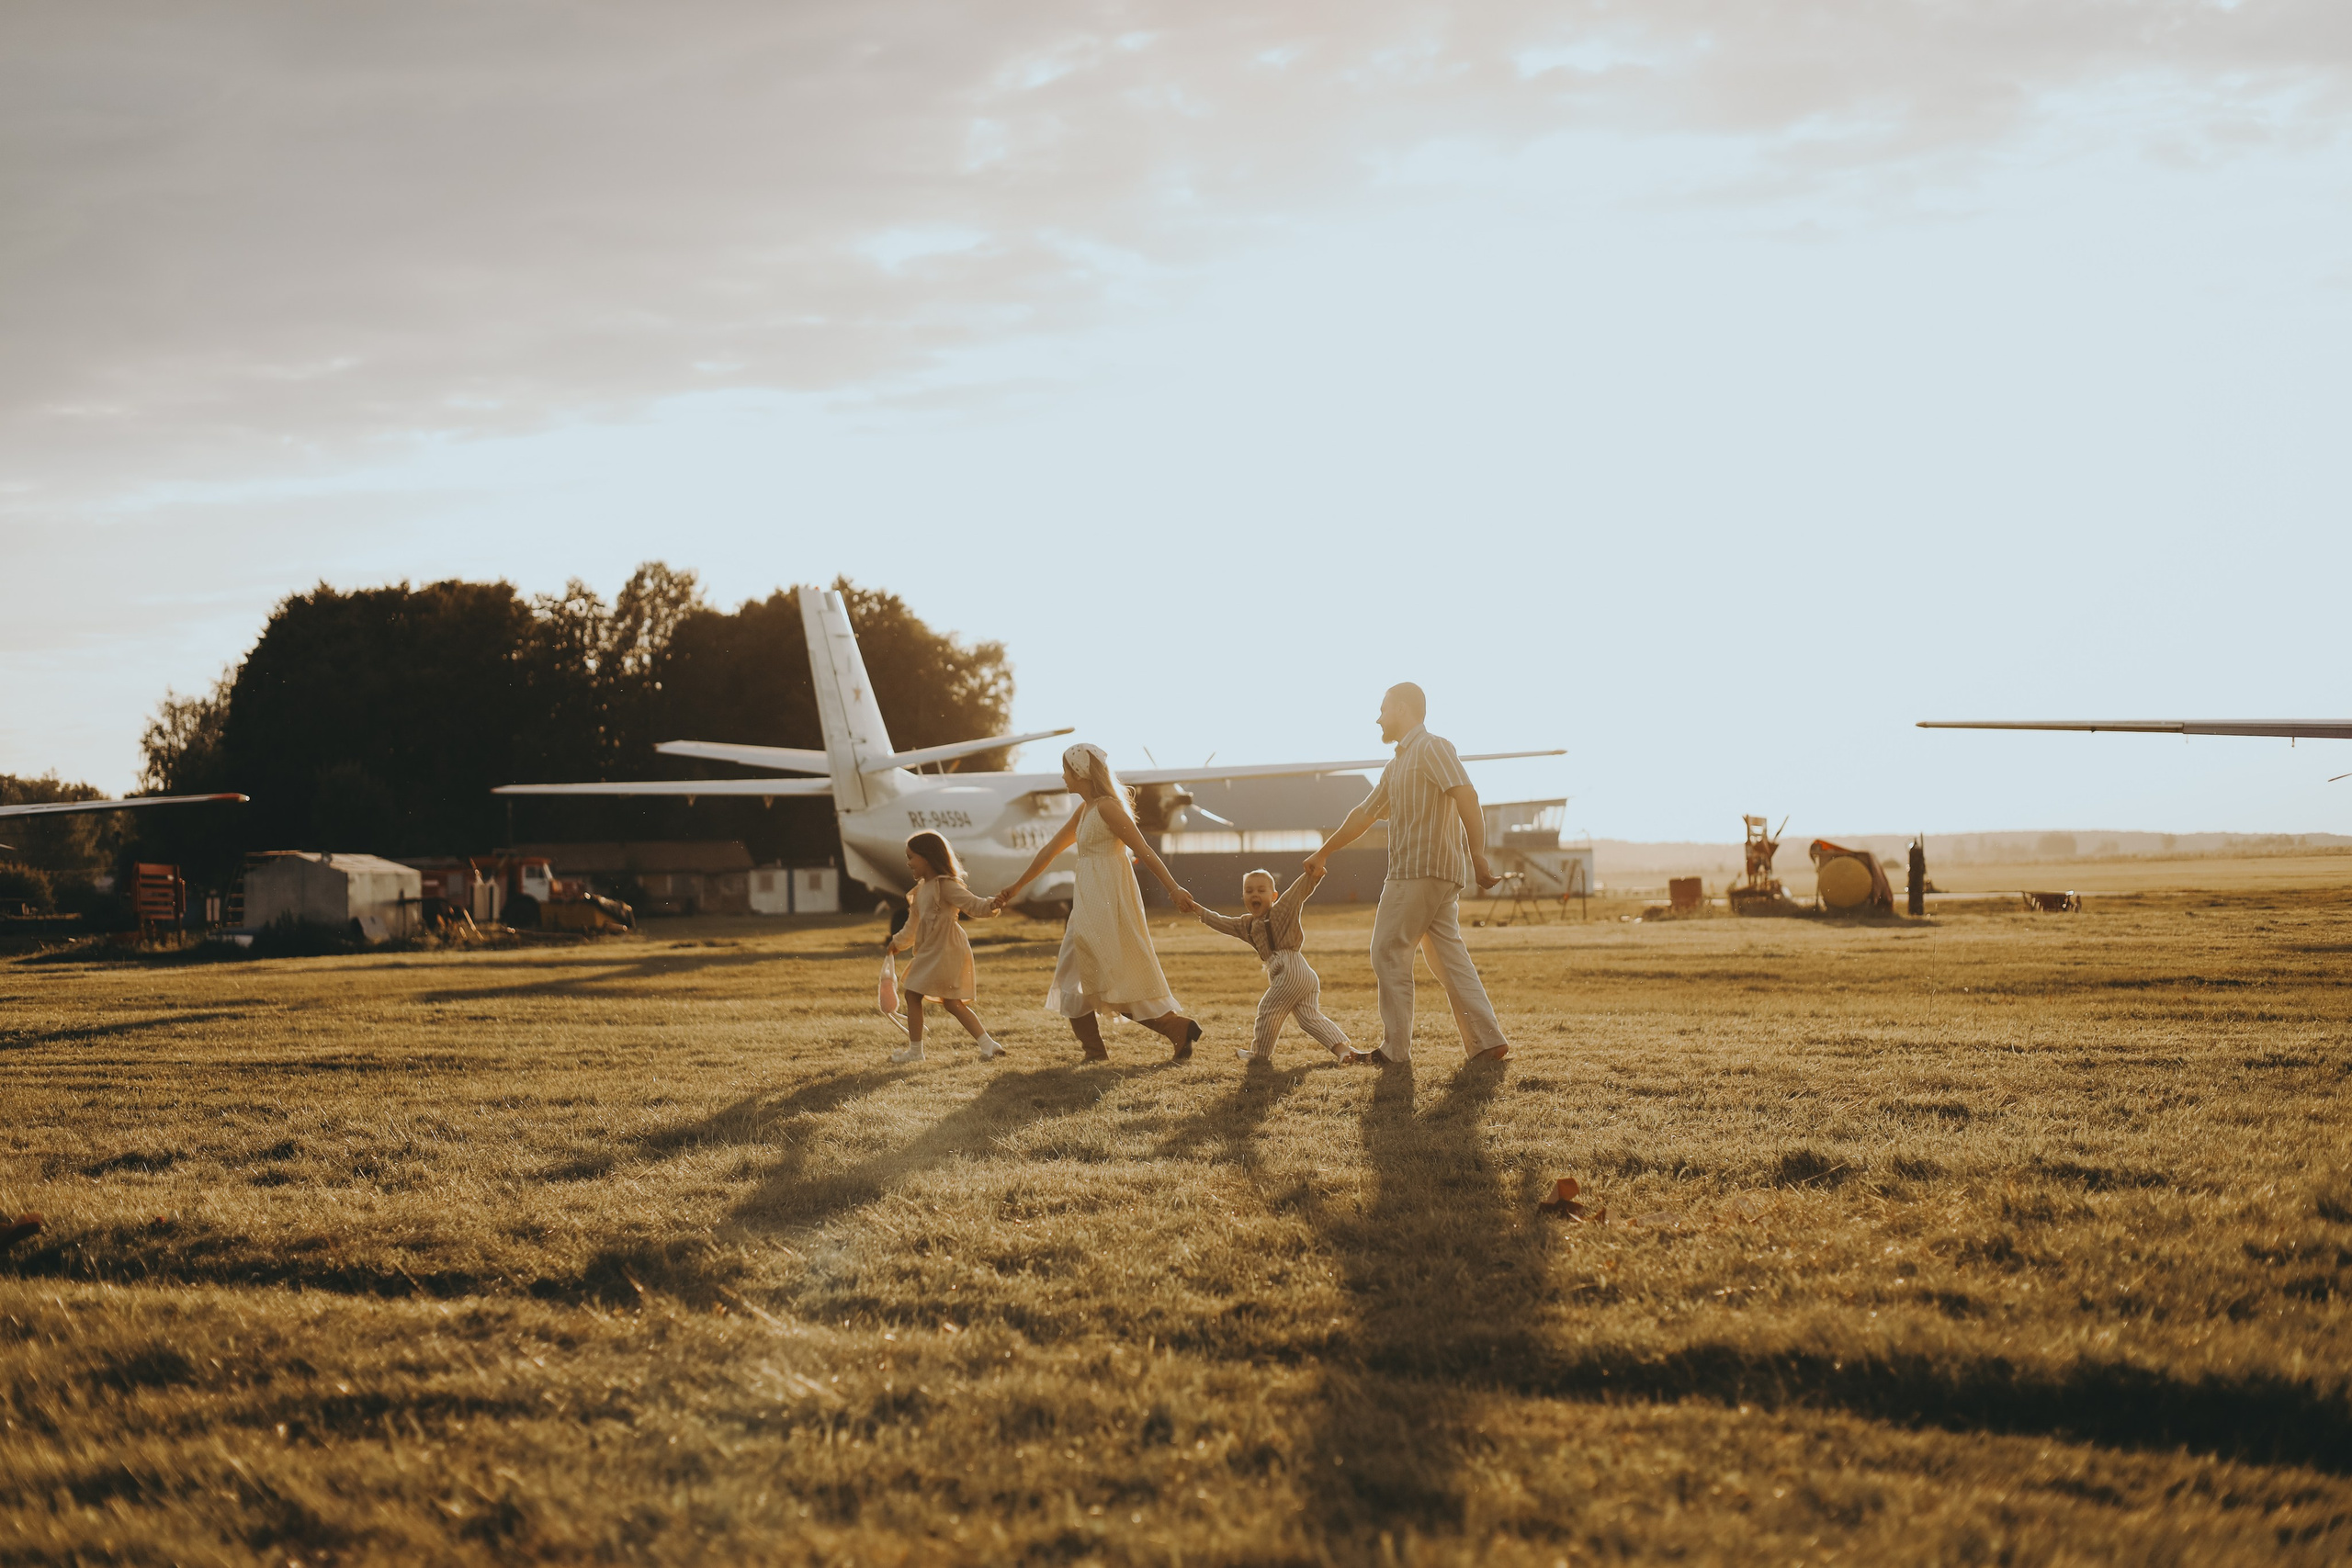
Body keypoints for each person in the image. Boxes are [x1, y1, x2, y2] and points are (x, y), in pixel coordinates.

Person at [1306, 682, 1510, 1066]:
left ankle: (1394, 1051)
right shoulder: (1397, 764)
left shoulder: (1433, 748)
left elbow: (1466, 795)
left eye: (1383, 709)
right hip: (1432, 874)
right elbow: (1364, 814)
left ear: (1401, 708)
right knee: (1447, 956)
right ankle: (1487, 1041)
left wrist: (1478, 854)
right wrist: (1325, 850)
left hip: (1418, 872)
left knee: (1387, 950)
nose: (1378, 717)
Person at [989, 744, 1203, 1063]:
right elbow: (1050, 850)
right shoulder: (1086, 809)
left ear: (1081, 773)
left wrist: (1174, 889)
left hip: (1107, 903)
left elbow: (1144, 850)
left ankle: (1136, 1039)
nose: (1063, 777)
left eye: (1066, 770)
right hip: (1088, 902)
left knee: (1095, 976)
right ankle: (1142, 1038)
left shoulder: (1107, 808)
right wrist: (1017, 886)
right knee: (1084, 977)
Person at [1192, 863, 1352, 1066]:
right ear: (1243, 896)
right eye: (1249, 891)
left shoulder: (1281, 911)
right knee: (1309, 1019)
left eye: (1261, 890)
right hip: (1299, 974)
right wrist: (1197, 909)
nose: (1254, 895)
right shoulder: (1246, 924)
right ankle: (1345, 1051)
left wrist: (1312, 875)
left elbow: (1297, 893)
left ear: (1273, 896)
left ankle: (1260, 1054)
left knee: (1268, 1007)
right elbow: (1222, 922)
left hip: (1291, 968)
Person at [883, 831, 1003, 1066]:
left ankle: (916, 1051)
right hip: (932, 949)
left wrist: (992, 904)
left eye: (911, 857)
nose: (908, 863)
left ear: (927, 857)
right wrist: (897, 942)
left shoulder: (945, 885)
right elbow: (912, 925)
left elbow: (973, 905)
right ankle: (988, 1044)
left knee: (913, 993)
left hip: (947, 948)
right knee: (950, 1002)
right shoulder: (920, 890)